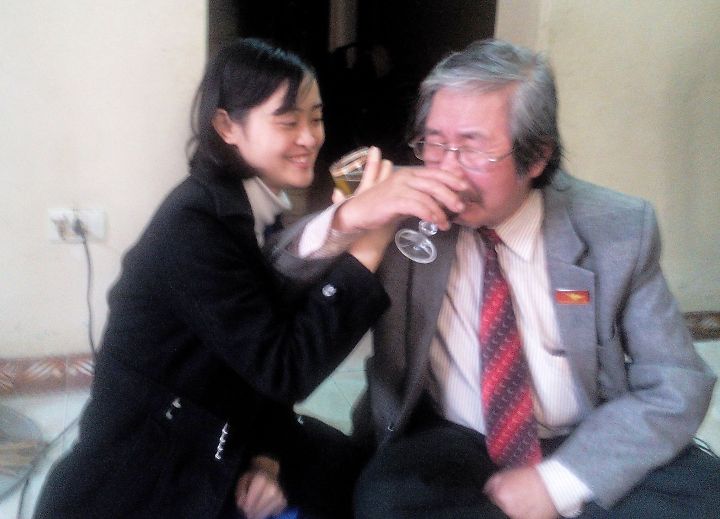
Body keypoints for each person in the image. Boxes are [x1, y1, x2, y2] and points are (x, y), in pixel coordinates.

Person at [279, 39, 719, 518]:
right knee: (388, 501)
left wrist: (559, 484)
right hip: (453, 436)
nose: (447, 170)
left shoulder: (618, 228)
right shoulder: (402, 205)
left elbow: (677, 380)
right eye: (434, 142)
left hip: (584, 433)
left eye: (473, 148)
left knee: (705, 495)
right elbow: (279, 273)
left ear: (537, 157)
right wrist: (350, 217)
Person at [32, 37, 464, 519]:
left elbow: (256, 350)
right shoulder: (194, 226)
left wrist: (268, 454)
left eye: (316, 118)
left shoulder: (252, 211)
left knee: (357, 473)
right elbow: (284, 368)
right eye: (288, 121)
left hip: (227, 425)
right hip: (153, 464)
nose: (310, 138)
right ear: (227, 127)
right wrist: (371, 241)